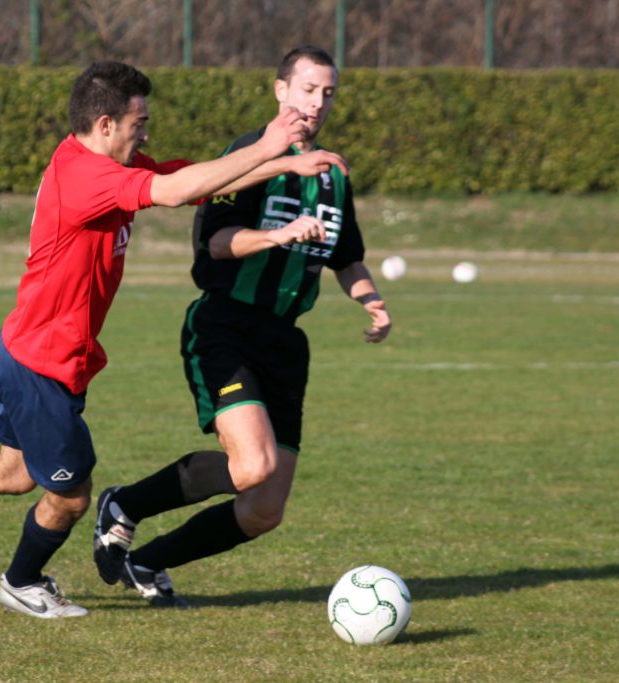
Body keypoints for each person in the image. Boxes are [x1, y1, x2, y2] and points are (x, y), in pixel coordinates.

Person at [0, 60, 348, 619]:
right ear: (105, 124)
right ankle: (22, 580)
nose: (146, 132)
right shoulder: (87, 176)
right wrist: (272, 142)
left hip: (30, 350)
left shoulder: (93, 161)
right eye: (140, 122)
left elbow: (196, 176)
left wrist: (285, 164)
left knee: (12, 475)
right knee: (72, 495)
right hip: (41, 363)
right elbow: (179, 192)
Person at [93, 46, 391, 608]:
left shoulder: (332, 174)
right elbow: (216, 242)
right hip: (225, 325)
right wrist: (279, 235)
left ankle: (147, 561)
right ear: (281, 91)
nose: (317, 103)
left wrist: (371, 300)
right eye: (307, 89)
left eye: (328, 93)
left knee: (263, 508)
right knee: (252, 465)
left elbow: (344, 255)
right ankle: (125, 504)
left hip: (286, 342)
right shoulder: (248, 158)